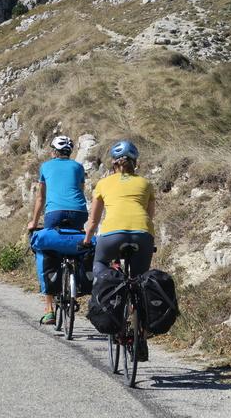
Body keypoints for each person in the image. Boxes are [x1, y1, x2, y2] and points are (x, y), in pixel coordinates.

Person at [27, 135, 88, 325]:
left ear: (53, 151)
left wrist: (33, 222)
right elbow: (80, 190)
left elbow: (40, 199)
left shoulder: (45, 167)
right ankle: (75, 286)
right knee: (74, 242)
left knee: (49, 250)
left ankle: (49, 310)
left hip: (54, 213)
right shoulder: (78, 167)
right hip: (79, 212)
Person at [82, 140, 155, 278]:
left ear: (113, 163)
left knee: (99, 263)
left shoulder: (103, 183)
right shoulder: (146, 183)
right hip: (142, 233)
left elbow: (93, 221)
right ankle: (139, 297)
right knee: (140, 278)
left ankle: (106, 296)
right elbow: (149, 216)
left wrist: (87, 240)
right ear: (135, 162)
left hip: (112, 233)